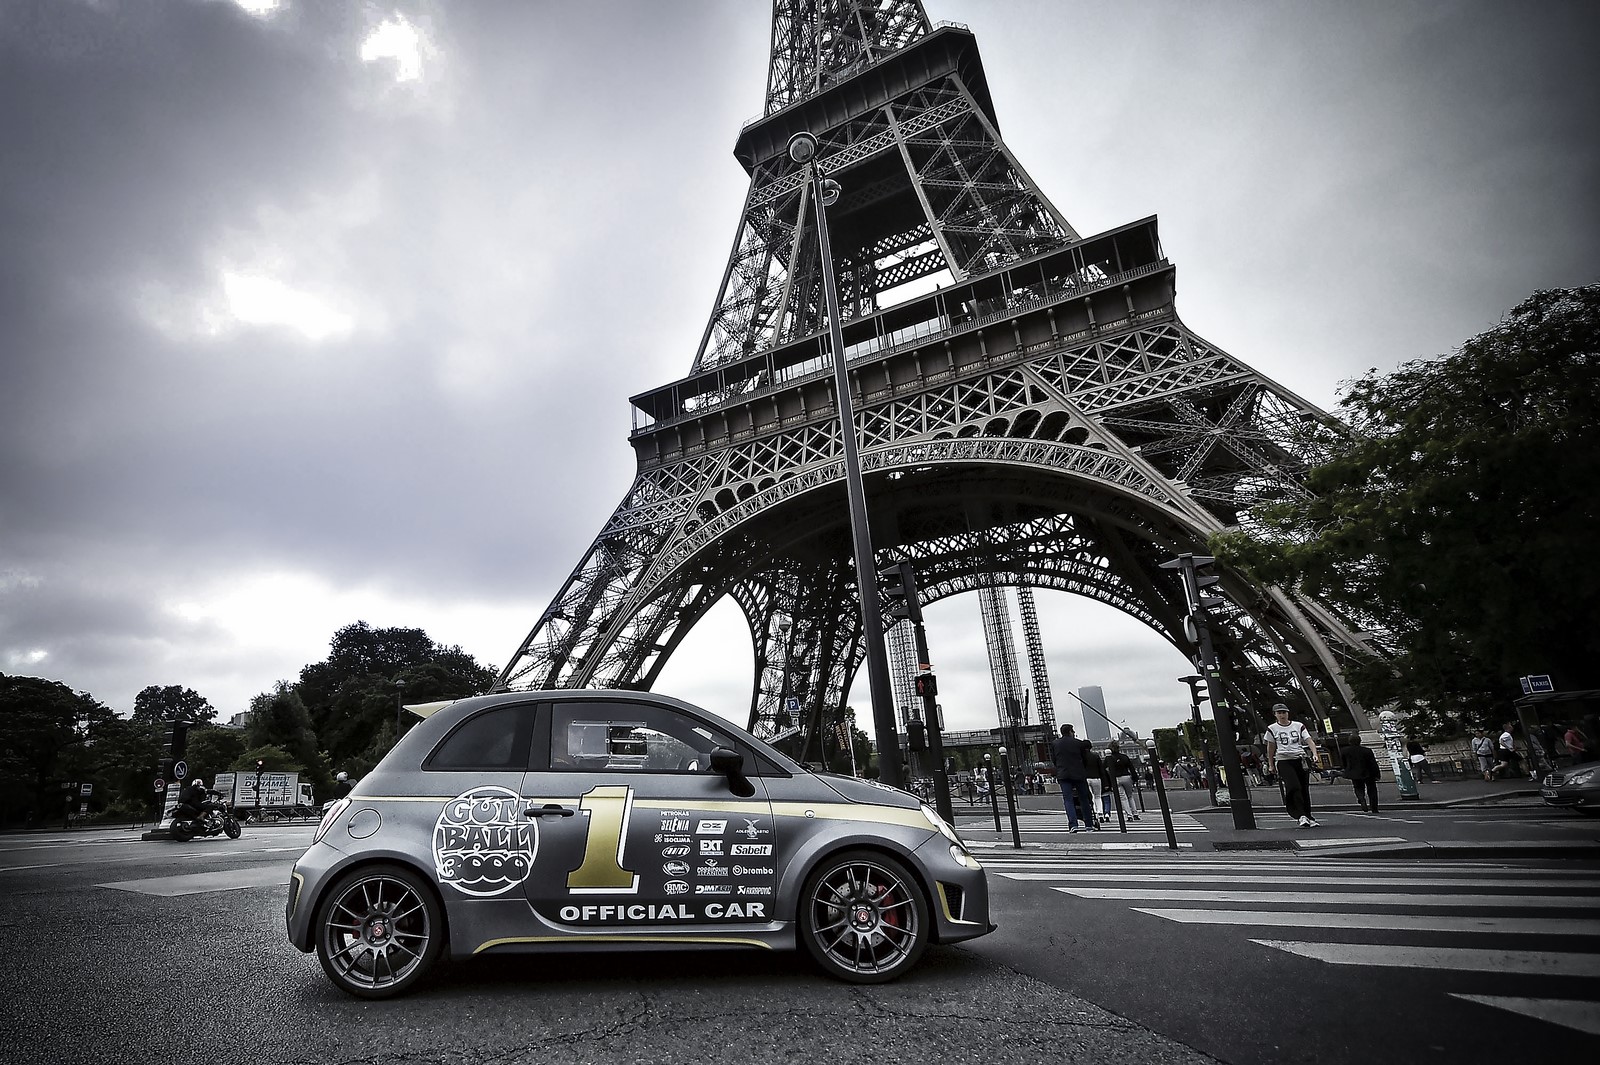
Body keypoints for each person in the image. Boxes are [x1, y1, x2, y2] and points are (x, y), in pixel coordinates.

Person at [1265, 703, 1321, 828]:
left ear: (1288, 713)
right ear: (1275, 715)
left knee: (1304, 788)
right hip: (1283, 759)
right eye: (1279, 713)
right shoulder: (1272, 728)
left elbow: (1309, 740)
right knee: (1293, 786)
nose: (1282, 715)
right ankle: (1300, 814)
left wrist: (1314, 753)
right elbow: (1271, 747)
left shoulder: (1298, 725)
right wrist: (1271, 764)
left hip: (1300, 758)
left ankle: (1308, 815)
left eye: (1284, 712)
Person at [1050, 723, 1097, 832]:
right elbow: (1085, 755)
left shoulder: (1055, 744)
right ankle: (1088, 824)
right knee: (1084, 799)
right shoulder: (1078, 743)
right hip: (1078, 774)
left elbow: (1054, 759)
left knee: (1068, 800)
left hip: (1063, 774)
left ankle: (1073, 824)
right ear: (1070, 732)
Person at [1341, 733, 1381, 813]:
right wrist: (1377, 774)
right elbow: (1373, 763)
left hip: (1354, 772)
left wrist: (1346, 770)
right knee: (1372, 789)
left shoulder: (1345, 751)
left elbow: (1343, 763)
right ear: (1360, 741)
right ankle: (1374, 808)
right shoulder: (1367, 751)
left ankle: (1361, 799)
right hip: (1368, 773)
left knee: (1358, 787)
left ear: (1349, 742)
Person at [1106, 742, 1140, 819]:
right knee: (1130, 796)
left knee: (1123, 797)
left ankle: (1129, 815)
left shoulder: (1109, 758)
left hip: (1116, 778)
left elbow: (1105, 769)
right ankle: (1135, 813)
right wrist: (1135, 778)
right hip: (1126, 776)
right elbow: (1131, 768)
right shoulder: (1124, 757)